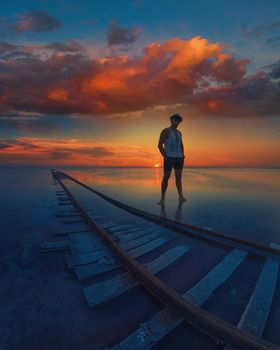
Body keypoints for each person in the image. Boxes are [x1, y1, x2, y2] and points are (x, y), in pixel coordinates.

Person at [157, 113, 186, 204]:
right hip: (169, 157)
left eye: (179, 121)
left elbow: (181, 144)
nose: (177, 122)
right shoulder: (166, 131)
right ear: (171, 120)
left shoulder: (179, 132)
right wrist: (165, 156)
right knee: (166, 177)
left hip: (179, 158)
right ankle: (162, 198)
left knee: (178, 178)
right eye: (175, 120)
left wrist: (182, 154)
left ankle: (181, 197)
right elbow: (159, 145)